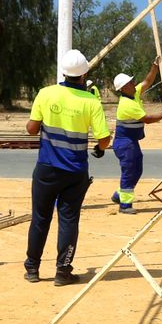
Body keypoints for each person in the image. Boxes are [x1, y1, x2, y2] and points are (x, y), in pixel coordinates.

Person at [23, 48, 111, 285]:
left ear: (63, 72)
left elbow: (31, 129)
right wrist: (99, 148)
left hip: (46, 168)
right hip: (75, 171)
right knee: (69, 220)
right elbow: (104, 139)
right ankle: (63, 272)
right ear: (84, 75)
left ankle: (32, 268)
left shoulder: (45, 94)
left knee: (40, 218)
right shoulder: (91, 101)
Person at [110, 56, 162, 213]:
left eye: (131, 82)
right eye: (129, 83)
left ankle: (119, 194)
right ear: (123, 89)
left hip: (131, 141)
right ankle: (125, 205)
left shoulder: (133, 93)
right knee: (129, 171)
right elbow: (148, 119)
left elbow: (147, 82)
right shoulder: (127, 104)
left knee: (137, 170)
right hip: (124, 143)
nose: (132, 84)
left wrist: (154, 66)